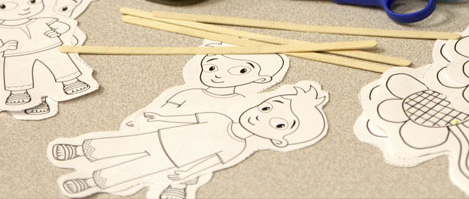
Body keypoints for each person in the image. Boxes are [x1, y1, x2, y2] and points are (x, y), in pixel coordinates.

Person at [52, 83, 328, 196]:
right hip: (158, 135)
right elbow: (189, 119)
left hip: (172, 160)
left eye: (277, 123)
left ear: (280, 139)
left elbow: (210, 161)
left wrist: (187, 173)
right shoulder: (221, 118)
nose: (260, 117)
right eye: (267, 108)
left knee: (130, 172)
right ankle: (80, 150)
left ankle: (91, 182)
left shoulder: (238, 146)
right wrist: (159, 119)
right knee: (113, 145)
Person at [0, 0, 89, 107]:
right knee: (16, 71)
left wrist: (57, 32)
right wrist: (4, 47)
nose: (24, 9)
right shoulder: (3, 29)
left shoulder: (41, 20)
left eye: (32, 1)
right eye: (4, 6)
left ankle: (71, 81)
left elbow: (64, 26)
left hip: (48, 46)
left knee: (60, 62)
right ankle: (19, 92)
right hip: (16, 54)